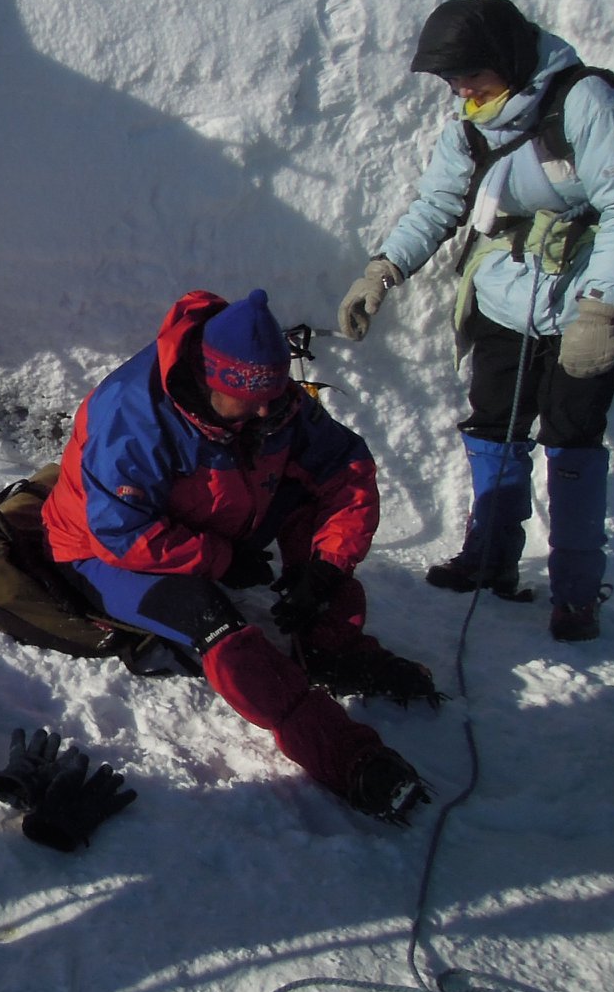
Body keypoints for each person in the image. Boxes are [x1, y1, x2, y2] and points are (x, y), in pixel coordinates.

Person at [337, 0, 614, 643]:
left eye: (471, 73)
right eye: (453, 80)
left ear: (509, 57)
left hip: (591, 302)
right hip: (503, 294)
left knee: (573, 437)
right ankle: (489, 557)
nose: (463, 89)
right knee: (493, 423)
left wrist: (601, 311)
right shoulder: (473, 123)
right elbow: (439, 203)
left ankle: (577, 592)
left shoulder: (584, 103)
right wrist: (383, 270)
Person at [41, 288, 433, 823]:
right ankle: (340, 752)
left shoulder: (270, 403)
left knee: (315, 502)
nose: (269, 412)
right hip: (103, 554)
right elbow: (123, 533)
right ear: (211, 381)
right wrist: (221, 561)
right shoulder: (132, 416)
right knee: (216, 623)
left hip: (209, 518)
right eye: (252, 404)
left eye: (276, 397)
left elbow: (348, 470)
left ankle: (331, 645)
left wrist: (324, 570)